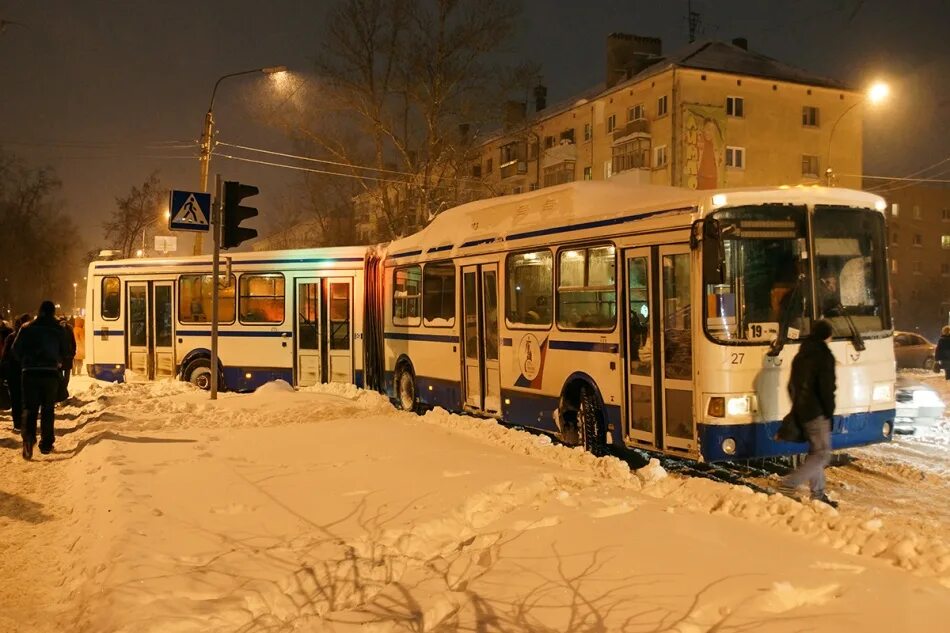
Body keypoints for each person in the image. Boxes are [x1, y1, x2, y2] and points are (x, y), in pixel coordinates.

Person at [778, 319, 838, 507]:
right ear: (827, 335)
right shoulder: (824, 355)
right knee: (822, 454)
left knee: (816, 452)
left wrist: (799, 405)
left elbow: (791, 386)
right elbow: (826, 388)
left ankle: (818, 494)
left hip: (804, 410)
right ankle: (788, 485)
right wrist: (828, 411)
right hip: (817, 411)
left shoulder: (802, 354)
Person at [13, 301, 69, 459]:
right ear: (52, 312)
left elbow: (15, 350)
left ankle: (28, 439)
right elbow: (66, 351)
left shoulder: (26, 328)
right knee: (48, 408)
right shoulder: (58, 330)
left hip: (29, 373)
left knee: (30, 408)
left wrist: (25, 362)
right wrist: (57, 359)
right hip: (50, 373)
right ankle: (46, 444)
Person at [1, 314, 31, 432]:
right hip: (26, 372)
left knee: (15, 399)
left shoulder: (11, 337)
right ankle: (25, 422)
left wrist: (3, 374)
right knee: (26, 399)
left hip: (14, 373)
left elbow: (5, 357)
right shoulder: (31, 338)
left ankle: (18, 424)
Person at [58, 316, 77, 401]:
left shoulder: (69, 329)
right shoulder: (56, 330)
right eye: (62, 322)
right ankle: (62, 393)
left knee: (66, 377)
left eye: (64, 322)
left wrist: (73, 353)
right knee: (60, 377)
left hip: (68, 356)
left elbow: (73, 342)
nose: (63, 324)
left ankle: (63, 392)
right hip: (59, 358)